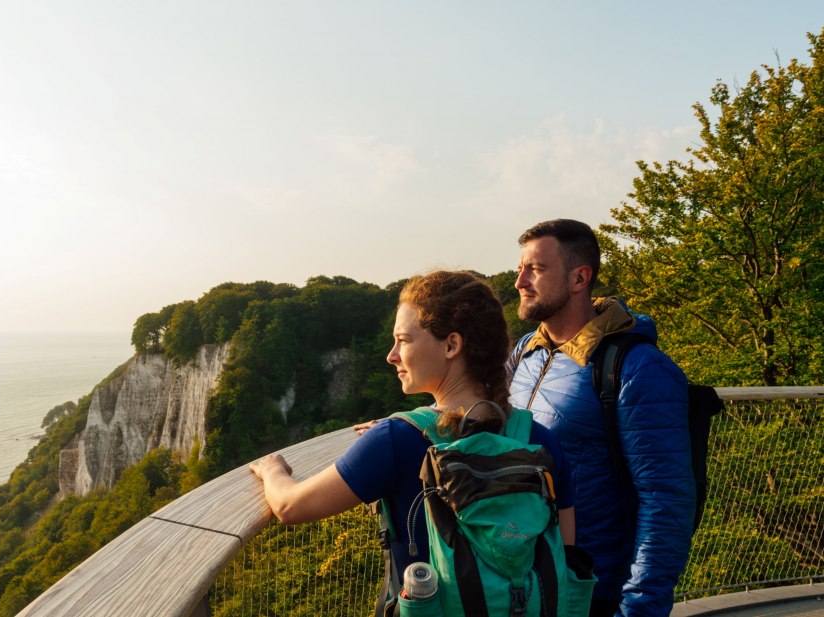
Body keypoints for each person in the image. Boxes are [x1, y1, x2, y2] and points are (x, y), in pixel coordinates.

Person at [250, 270, 576, 602]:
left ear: (451, 345)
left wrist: (272, 469)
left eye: (403, 340)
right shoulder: (541, 441)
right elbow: (562, 556)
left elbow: (290, 506)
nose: (391, 355)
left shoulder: (397, 440)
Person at [508, 219, 695, 617]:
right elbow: (479, 417)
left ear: (579, 278)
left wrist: (640, 607)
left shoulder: (639, 368)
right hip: (527, 580)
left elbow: (665, 499)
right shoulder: (527, 351)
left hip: (594, 589)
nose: (520, 281)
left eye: (535, 270)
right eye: (520, 269)